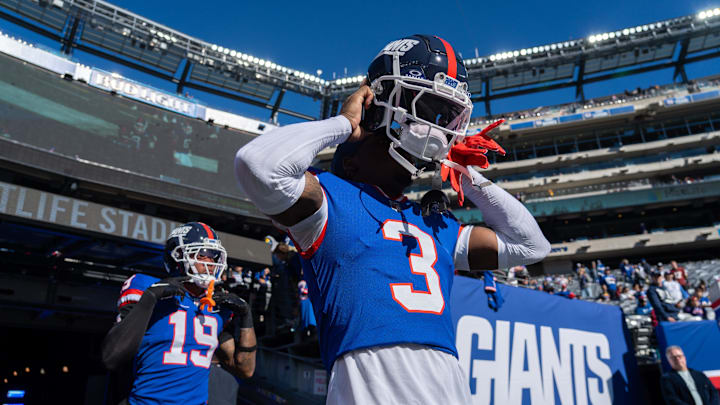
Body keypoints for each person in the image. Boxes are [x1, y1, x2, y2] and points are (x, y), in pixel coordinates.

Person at [234, 34, 550, 403]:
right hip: (372, 382)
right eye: (426, 109)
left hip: (448, 384)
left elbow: (531, 245)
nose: (433, 125)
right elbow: (258, 165)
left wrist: (466, 174)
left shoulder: (434, 223)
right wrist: (342, 123)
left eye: (443, 115)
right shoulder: (329, 199)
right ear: (351, 156)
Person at [101, 222, 257, 404]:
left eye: (214, 256)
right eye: (202, 254)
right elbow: (111, 358)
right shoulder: (145, 286)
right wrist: (150, 298)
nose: (210, 262)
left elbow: (246, 369)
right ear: (178, 256)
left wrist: (247, 317)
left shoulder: (215, 307)